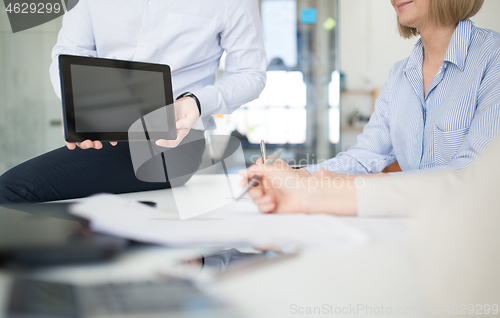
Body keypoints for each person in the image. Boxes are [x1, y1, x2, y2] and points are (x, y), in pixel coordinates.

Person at [0, 0, 267, 203]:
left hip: (174, 141)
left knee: (13, 188)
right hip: (103, 128)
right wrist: (78, 105)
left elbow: (250, 73)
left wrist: (195, 102)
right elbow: (70, 52)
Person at [279, 0, 500, 179]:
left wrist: (384, 185)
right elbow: (365, 157)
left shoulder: (492, 58)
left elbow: (476, 171)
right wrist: (297, 175)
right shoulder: (399, 75)